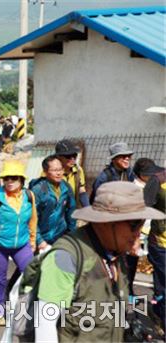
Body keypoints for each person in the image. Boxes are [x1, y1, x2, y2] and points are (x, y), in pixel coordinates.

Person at [34, 182, 166, 342]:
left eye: (141, 223)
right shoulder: (66, 257)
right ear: (105, 223)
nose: (139, 233)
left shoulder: (117, 254)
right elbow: (44, 325)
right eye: (133, 225)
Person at [0, 160, 37, 326]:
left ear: (21, 180)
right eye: (6, 178)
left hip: (22, 244)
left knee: (31, 275)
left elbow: (33, 220)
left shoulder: (29, 196)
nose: (9, 182)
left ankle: (24, 310)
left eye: (13, 178)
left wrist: (32, 241)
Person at [91, 141, 138, 300]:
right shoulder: (104, 177)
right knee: (108, 262)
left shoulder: (129, 173)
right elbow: (96, 203)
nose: (127, 159)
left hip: (123, 222)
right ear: (114, 159)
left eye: (129, 156)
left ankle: (126, 291)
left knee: (128, 260)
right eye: (123, 156)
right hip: (107, 225)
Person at [133, 158, 166, 330]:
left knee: (162, 284)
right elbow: (144, 210)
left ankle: (158, 311)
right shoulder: (158, 180)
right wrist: (135, 236)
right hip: (161, 243)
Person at [30, 155, 76, 251]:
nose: (59, 173)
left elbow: (71, 212)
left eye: (60, 169)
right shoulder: (38, 190)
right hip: (42, 238)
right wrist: (39, 241)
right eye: (54, 170)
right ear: (45, 172)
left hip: (60, 236)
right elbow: (31, 218)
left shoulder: (66, 187)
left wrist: (72, 235)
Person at [54, 139, 89, 207]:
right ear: (59, 157)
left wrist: (87, 207)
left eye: (74, 156)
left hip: (71, 209)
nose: (72, 159)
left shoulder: (78, 171)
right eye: (68, 156)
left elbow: (81, 190)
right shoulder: (51, 172)